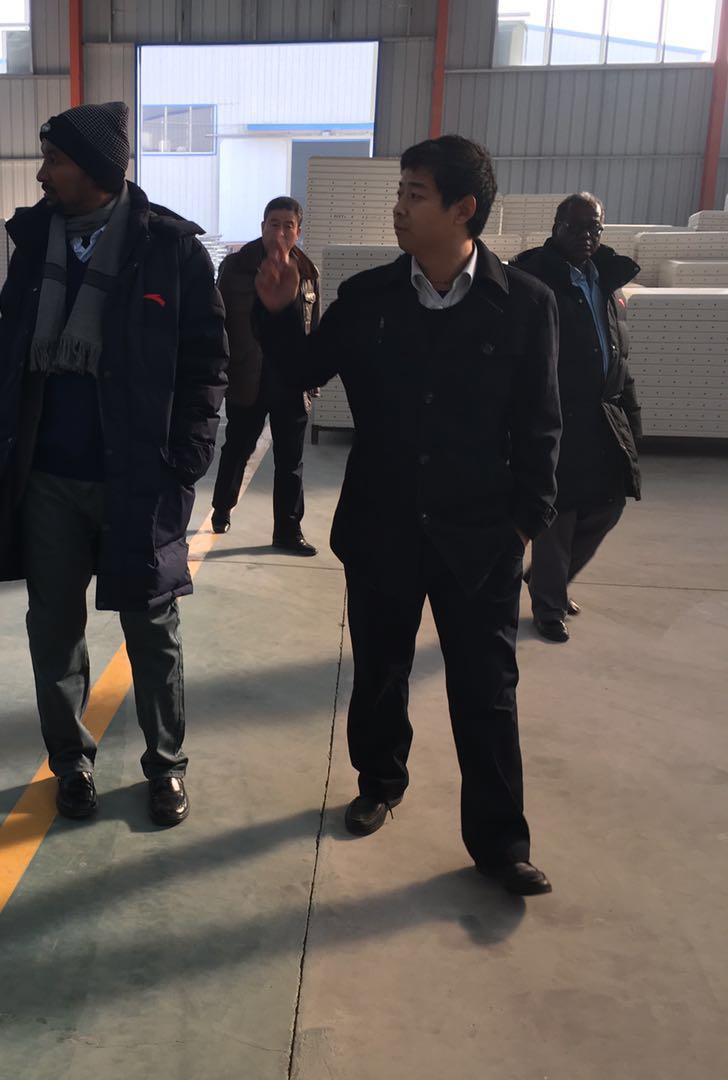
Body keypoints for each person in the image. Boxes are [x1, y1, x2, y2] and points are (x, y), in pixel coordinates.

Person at [254, 136, 561, 895]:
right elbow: (301, 373)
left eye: (415, 194)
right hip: (382, 527)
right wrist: (278, 314)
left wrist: (523, 523)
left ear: (463, 209)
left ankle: (500, 842)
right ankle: (379, 781)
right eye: (400, 192)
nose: (398, 207)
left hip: (480, 539)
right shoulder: (368, 299)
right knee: (380, 673)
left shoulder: (525, 304)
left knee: (486, 691)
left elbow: (541, 426)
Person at [0, 103, 228, 827]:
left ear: (96, 169)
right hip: (45, 477)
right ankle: (71, 762)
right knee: (53, 627)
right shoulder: (34, 243)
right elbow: (10, 350)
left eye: (54, 160)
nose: (41, 174)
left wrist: (186, 457)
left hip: (136, 478)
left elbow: (207, 363)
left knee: (152, 628)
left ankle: (165, 766)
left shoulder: (171, 250)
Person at [511, 194, 642, 643]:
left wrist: (631, 417)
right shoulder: (533, 279)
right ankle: (549, 606)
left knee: (610, 504)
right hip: (553, 415)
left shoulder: (606, 279)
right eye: (576, 227)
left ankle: (547, 579)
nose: (586, 236)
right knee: (559, 512)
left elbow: (618, 353)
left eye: (595, 229)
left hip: (603, 413)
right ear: (556, 227)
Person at [210, 197, 320, 554]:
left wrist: (312, 380)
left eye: (289, 226)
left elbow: (313, 329)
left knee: (290, 460)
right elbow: (217, 322)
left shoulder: (307, 272)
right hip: (247, 377)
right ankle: (222, 508)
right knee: (238, 449)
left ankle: (288, 531)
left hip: (290, 382)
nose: (281, 232)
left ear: (298, 231)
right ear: (262, 228)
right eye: (274, 224)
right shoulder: (236, 267)